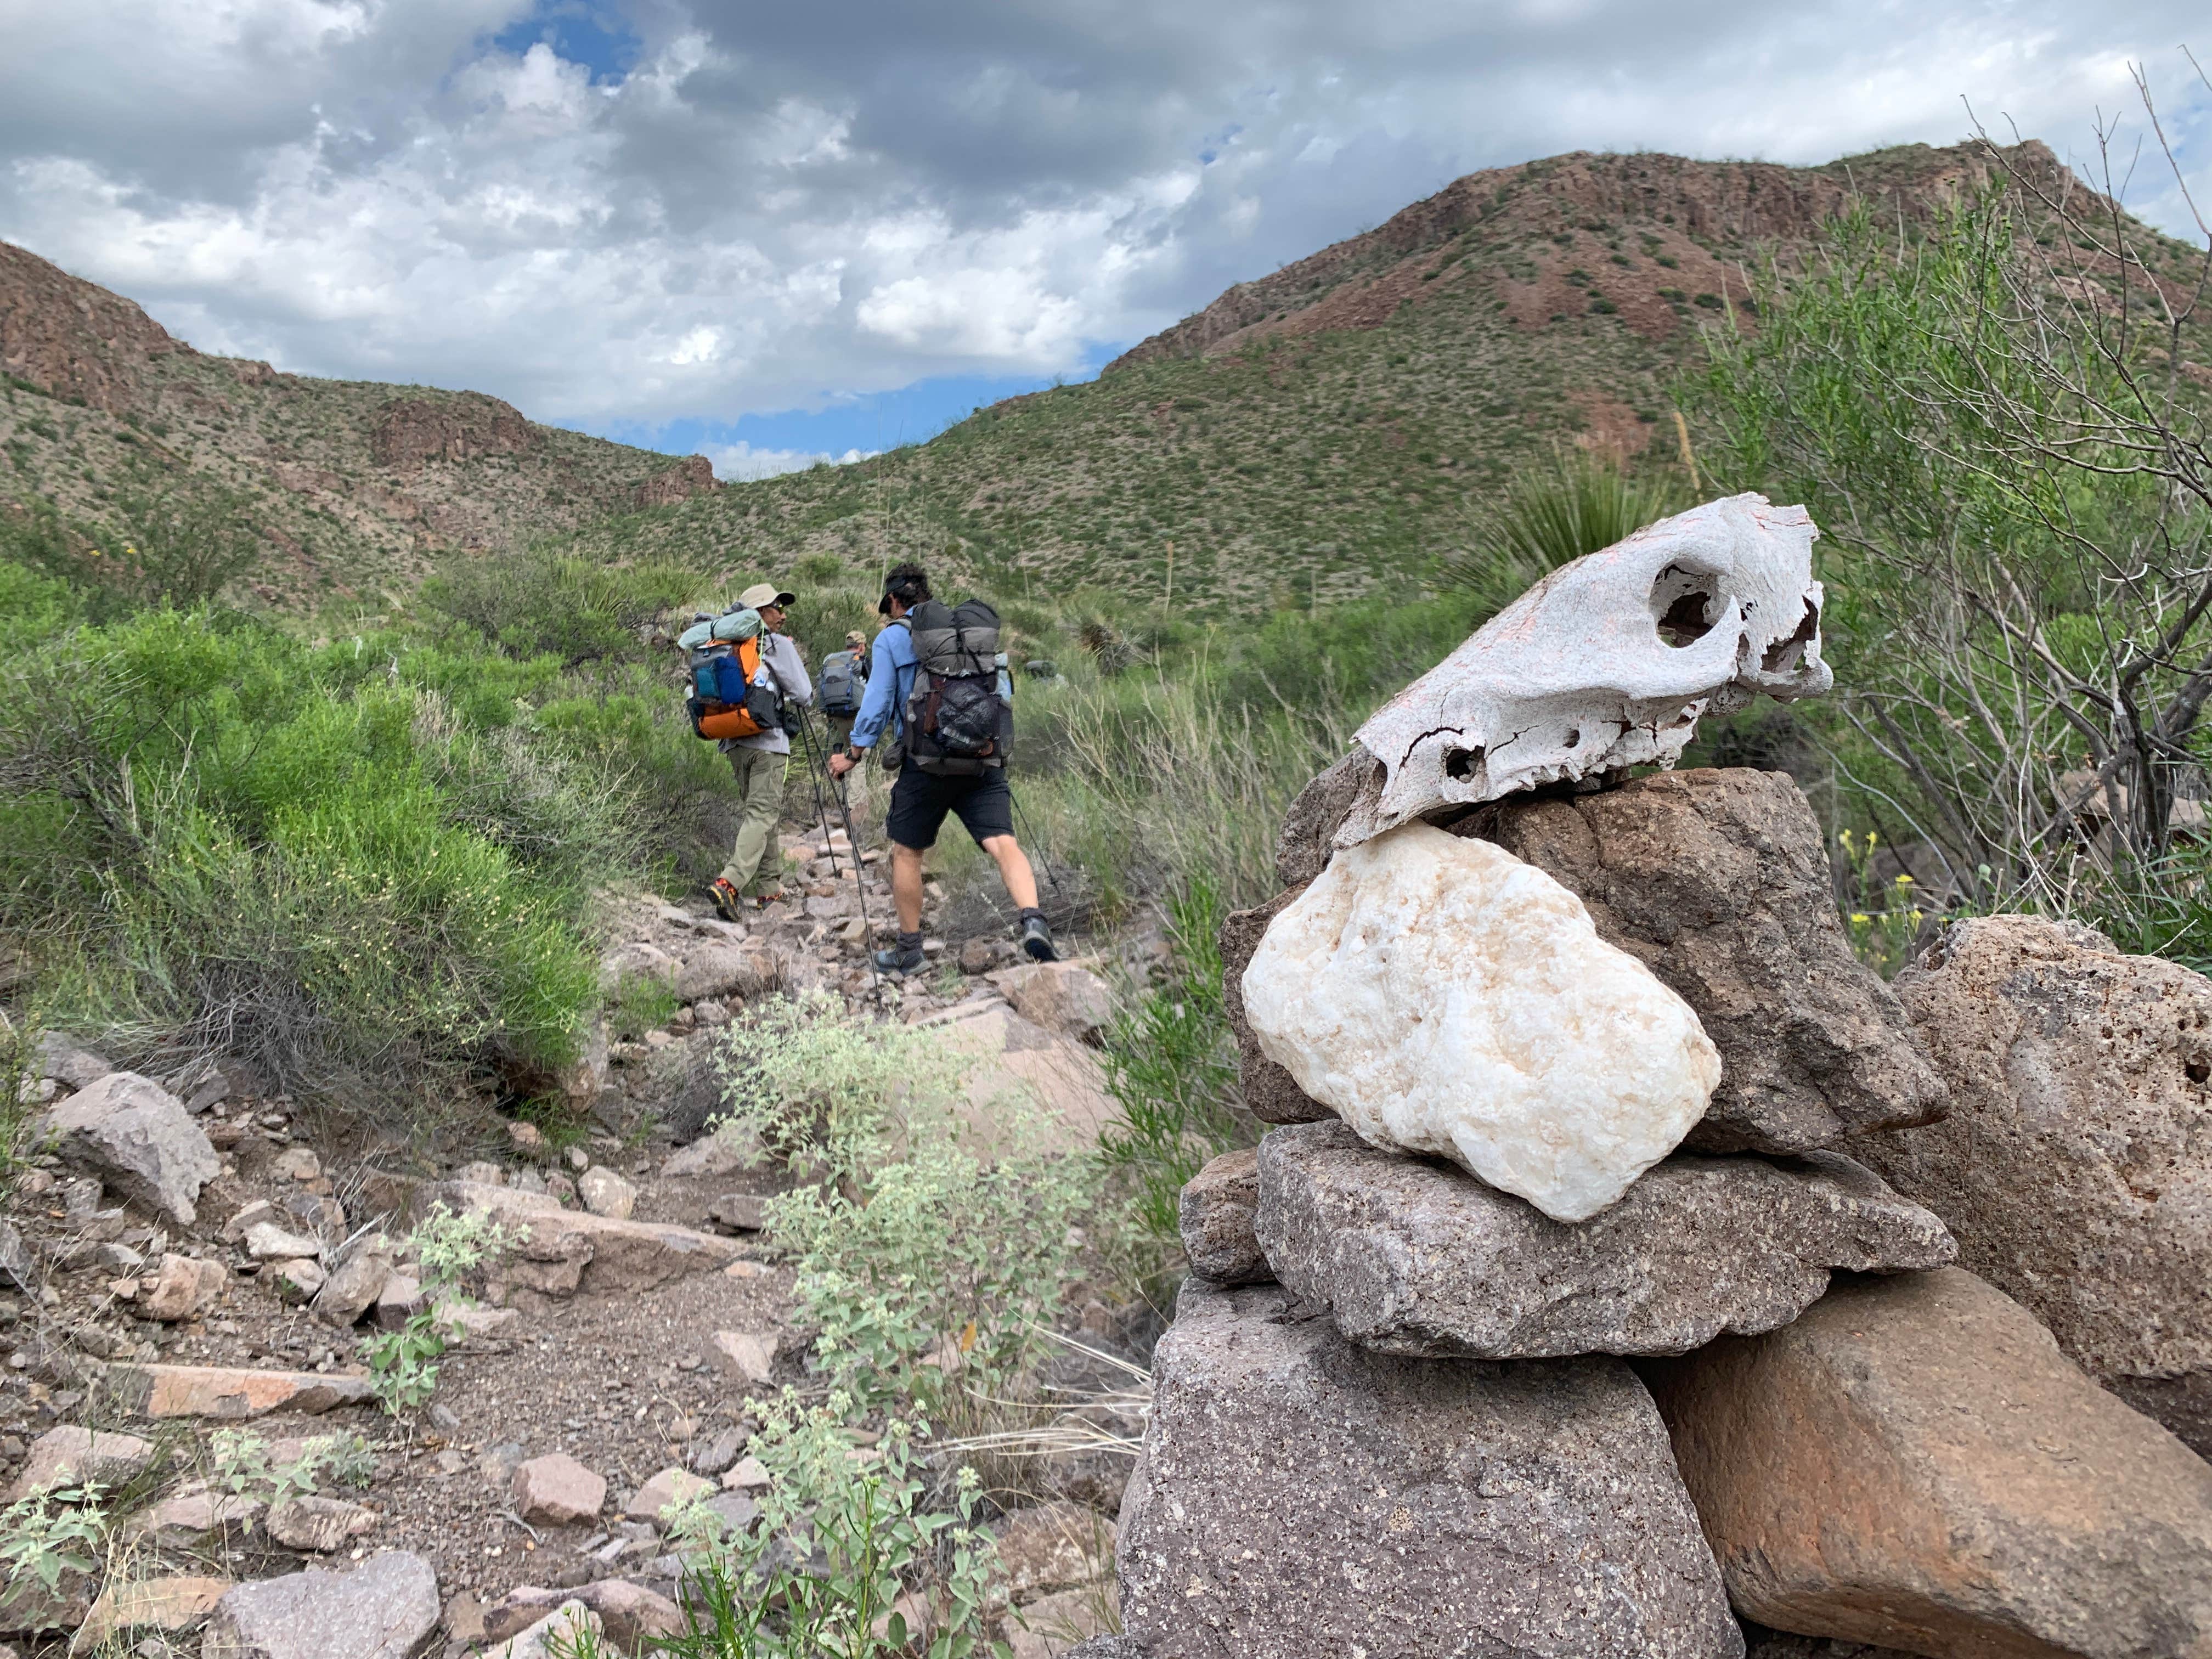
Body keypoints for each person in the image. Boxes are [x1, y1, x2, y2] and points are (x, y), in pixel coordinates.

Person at [829, 561, 1057, 969]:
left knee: (907, 852)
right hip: (982, 761)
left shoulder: (893, 639)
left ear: (896, 602)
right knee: (1003, 843)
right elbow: (1000, 692)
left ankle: (909, 951)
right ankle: (1033, 919)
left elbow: (878, 704)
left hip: (925, 763)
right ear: (928, 596)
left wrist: (853, 754)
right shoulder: (968, 635)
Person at [709, 581, 812, 921]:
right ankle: (731, 882)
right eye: (775, 608)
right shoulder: (774, 644)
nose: (782, 615)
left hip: (733, 741)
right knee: (762, 814)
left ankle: (769, 889)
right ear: (759, 613)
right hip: (768, 743)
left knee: (761, 815)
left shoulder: (722, 645)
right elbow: (804, 693)